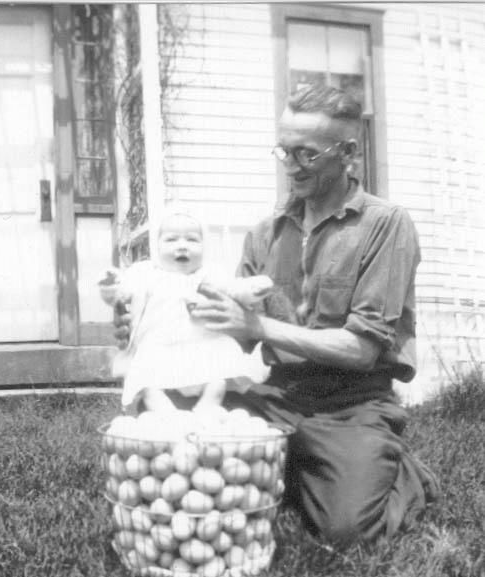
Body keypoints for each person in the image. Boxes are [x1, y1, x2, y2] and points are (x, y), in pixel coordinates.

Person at [114, 85, 439, 546]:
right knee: (173, 427)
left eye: (305, 154)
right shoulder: (266, 232)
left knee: (344, 531)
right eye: (284, 151)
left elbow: (363, 349)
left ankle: (396, 471)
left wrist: (259, 326)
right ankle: (296, 465)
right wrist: (146, 321)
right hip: (275, 395)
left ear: (348, 152)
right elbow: (229, 331)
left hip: (352, 404)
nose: (290, 165)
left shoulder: (386, 225)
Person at [100, 203, 271, 413]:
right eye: (171, 239)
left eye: (192, 239)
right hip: (158, 346)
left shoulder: (209, 274)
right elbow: (122, 292)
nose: (182, 246)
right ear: (156, 245)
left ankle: (208, 405)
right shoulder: (144, 273)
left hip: (204, 344)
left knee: (218, 377)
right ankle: (165, 413)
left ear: (204, 245)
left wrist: (249, 288)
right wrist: (112, 286)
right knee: (147, 382)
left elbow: (232, 289)